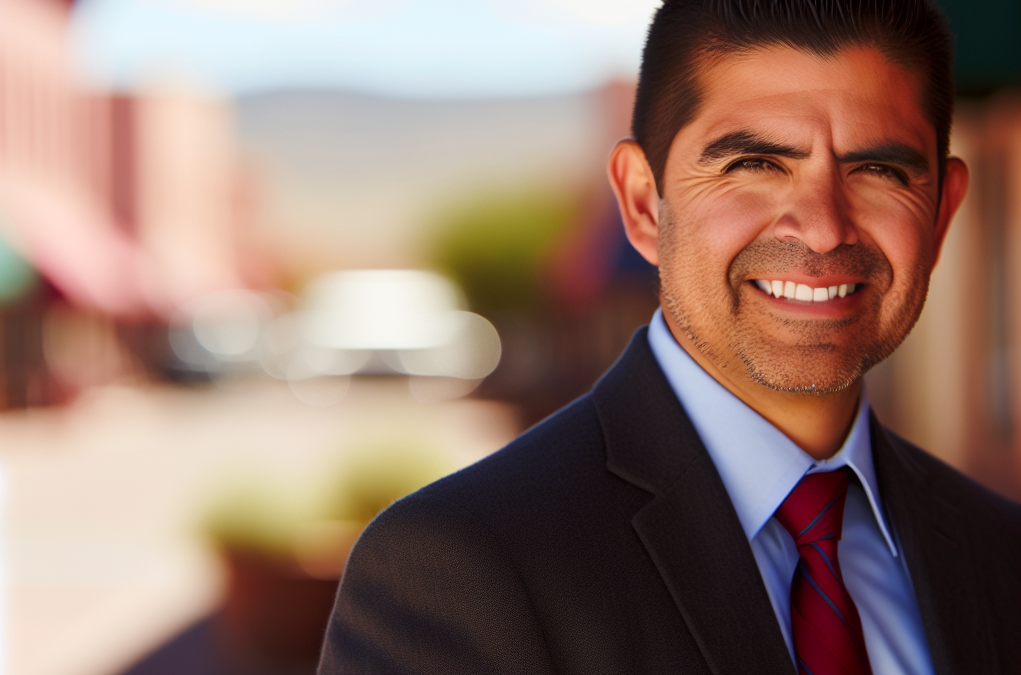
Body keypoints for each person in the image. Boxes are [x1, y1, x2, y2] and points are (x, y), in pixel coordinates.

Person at [318, 1, 1021, 673]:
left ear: (941, 213)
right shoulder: (461, 568)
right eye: (753, 165)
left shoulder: (1001, 554)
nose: (823, 227)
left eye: (878, 170)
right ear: (642, 204)